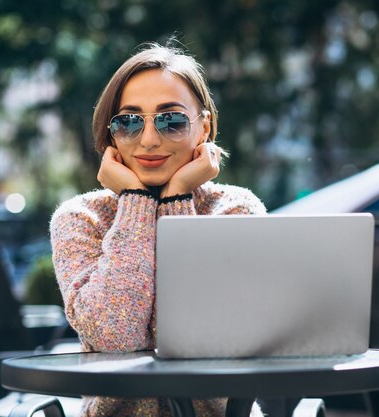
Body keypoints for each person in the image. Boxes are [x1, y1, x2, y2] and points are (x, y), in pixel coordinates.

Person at [50, 41, 267, 417]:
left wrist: (177, 200)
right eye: (130, 122)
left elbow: (199, 339)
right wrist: (136, 200)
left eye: (172, 121)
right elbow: (113, 338)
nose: (149, 140)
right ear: (111, 134)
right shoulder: (80, 219)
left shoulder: (235, 210)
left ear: (204, 128)